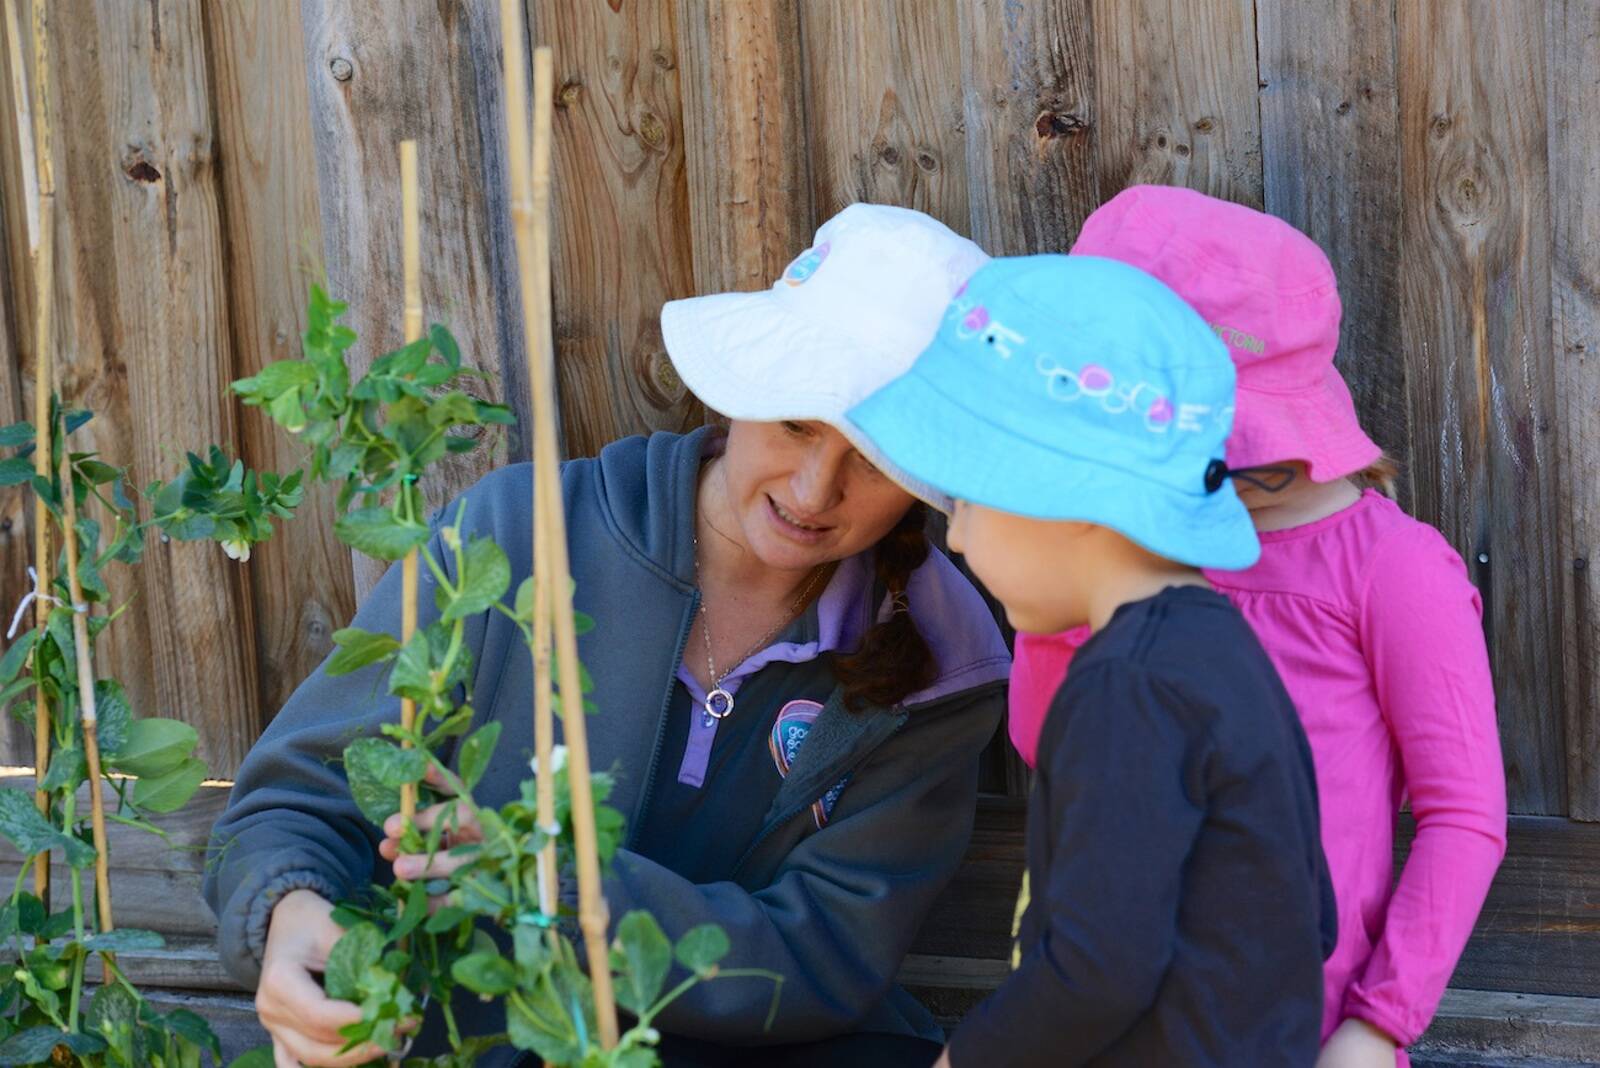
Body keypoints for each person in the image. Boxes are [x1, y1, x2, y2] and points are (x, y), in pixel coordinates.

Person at [203, 204, 1011, 1068]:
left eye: (875, 457)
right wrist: (288, 915)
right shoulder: (515, 535)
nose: (816, 491)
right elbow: (300, 798)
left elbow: (827, 957)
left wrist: (559, 889)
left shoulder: (941, 653)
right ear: (744, 389)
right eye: (798, 424)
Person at [1007, 186, 1507, 1068]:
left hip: (1301, 1038)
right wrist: (1053, 609)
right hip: (1110, 1020)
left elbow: (1463, 812)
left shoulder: (1389, 571)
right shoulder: (1126, 546)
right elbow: (1048, 746)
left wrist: (1378, 1023)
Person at [849, 252, 1334, 1066]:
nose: (957, 537)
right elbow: (1310, 916)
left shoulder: (1124, 688)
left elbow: (1097, 970)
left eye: (968, 499)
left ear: (1070, 496)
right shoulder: (1225, 653)